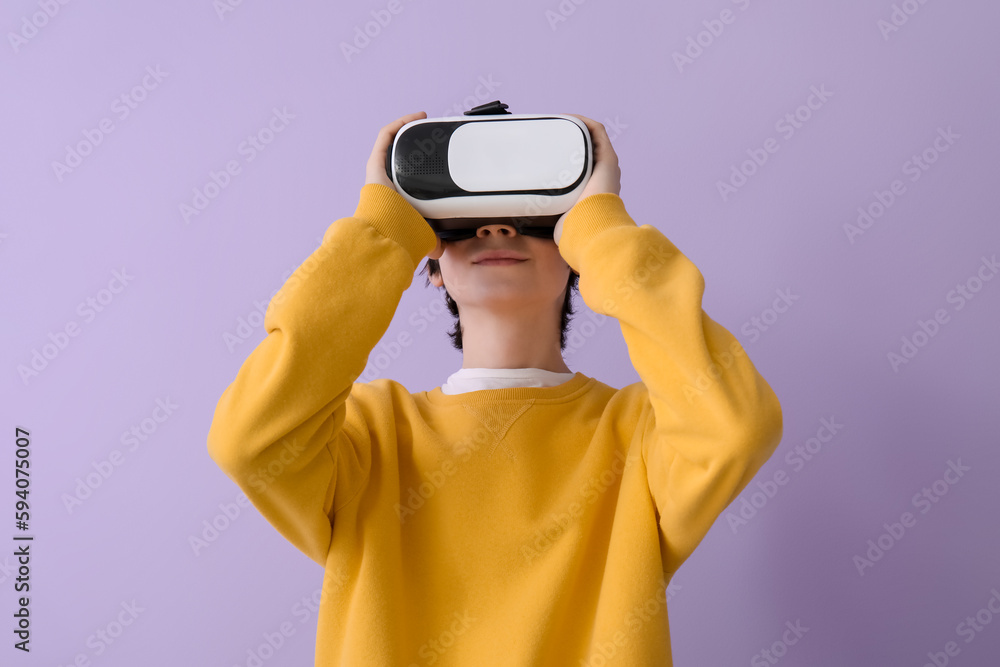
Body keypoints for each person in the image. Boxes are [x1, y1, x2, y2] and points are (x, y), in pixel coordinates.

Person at [207, 111, 783, 666]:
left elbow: (737, 430)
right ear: (429, 260)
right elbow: (249, 440)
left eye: (535, 216)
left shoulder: (639, 435)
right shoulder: (368, 435)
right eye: (465, 219)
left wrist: (604, 227)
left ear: (575, 254)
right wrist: (383, 229)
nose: (497, 227)